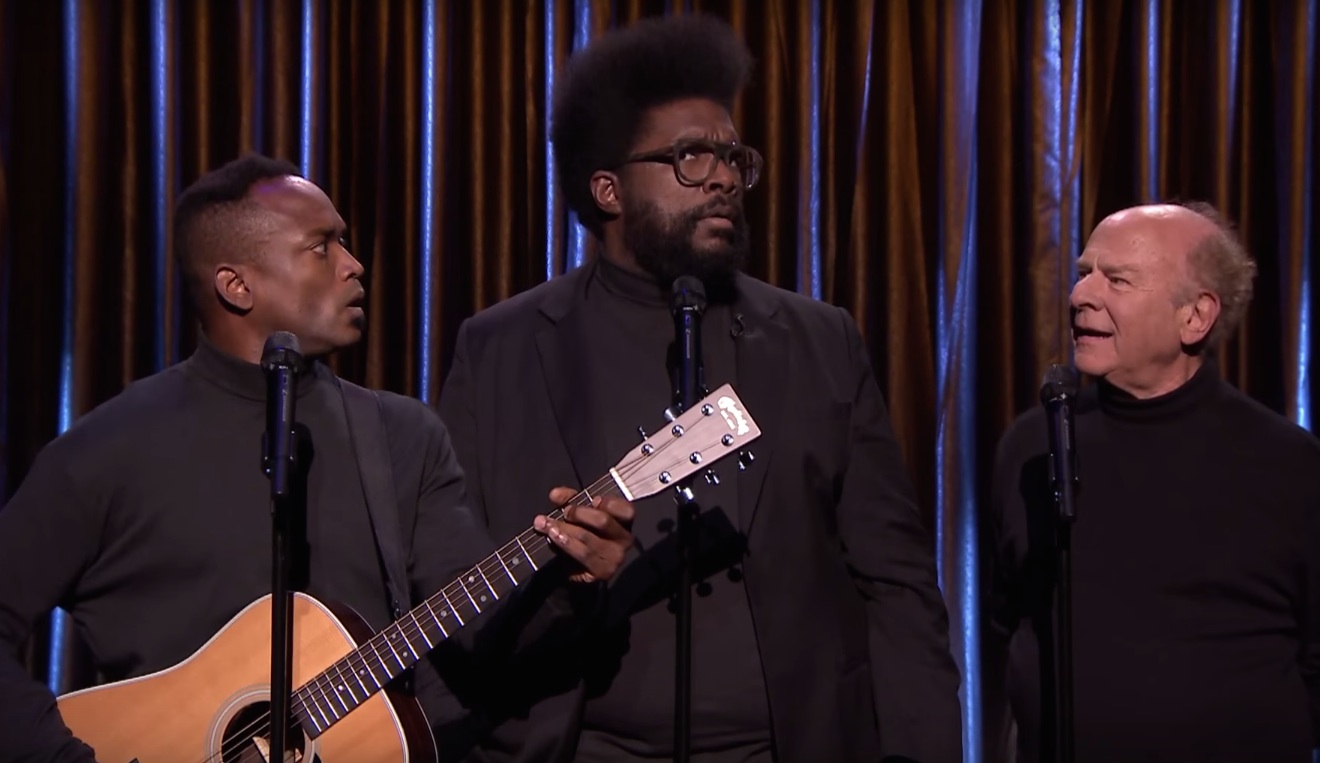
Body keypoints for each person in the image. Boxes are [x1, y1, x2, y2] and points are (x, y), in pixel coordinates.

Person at [434, 14, 962, 763]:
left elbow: (896, 580)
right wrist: (567, 581)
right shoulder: (502, 347)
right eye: (689, 156)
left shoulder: (819, 340)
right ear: (608, 190)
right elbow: (456, 588)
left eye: (731, 157)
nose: (722, 177)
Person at [0, 154, 636, 762]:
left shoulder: (400, 436)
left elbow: (478, 639)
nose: (355, 265)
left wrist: (566, 582)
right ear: (237, 285)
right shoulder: (107, 450)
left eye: (346, 243)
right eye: (321, 247)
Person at [985, 201, 1320, 762]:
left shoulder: (1289, 463)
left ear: (1195, 316)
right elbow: (1010, 620)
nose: (1081, 295)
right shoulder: (1033, 445)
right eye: (1084, 273)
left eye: (1117, 280)